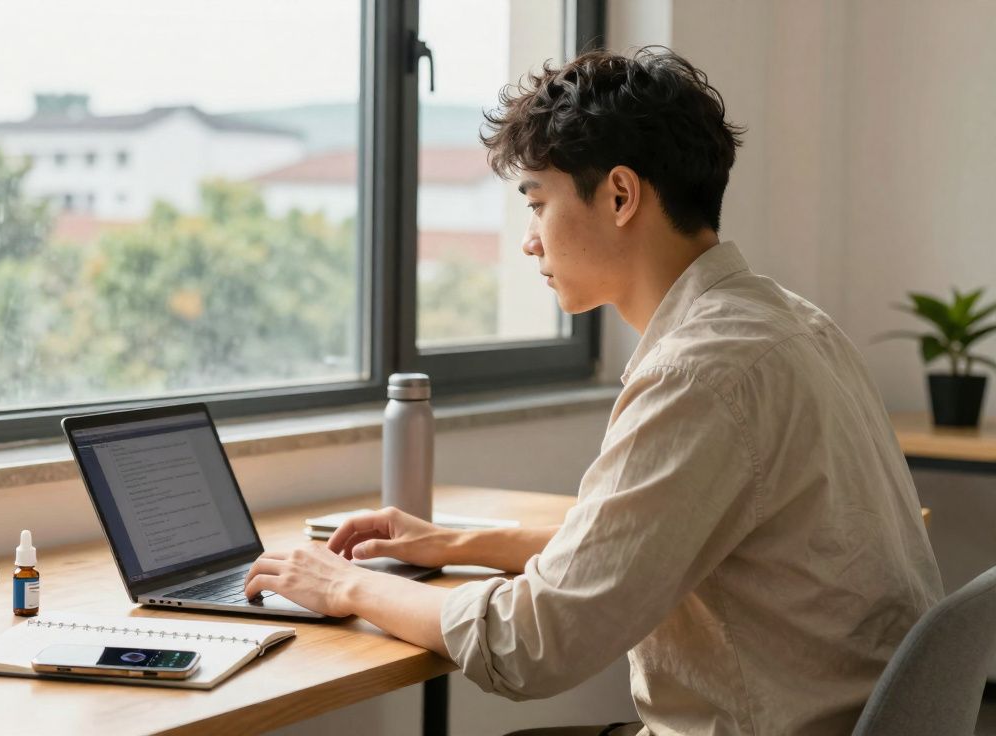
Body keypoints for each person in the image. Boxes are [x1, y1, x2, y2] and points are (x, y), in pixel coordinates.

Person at [244, 47, 942, 735]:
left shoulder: (699, 372)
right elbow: (635, 540)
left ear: (620, 195)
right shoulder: (793, 323)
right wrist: (453, 541)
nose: (529, 241)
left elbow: (530, 645)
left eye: (537, 203)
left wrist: (344, 584)